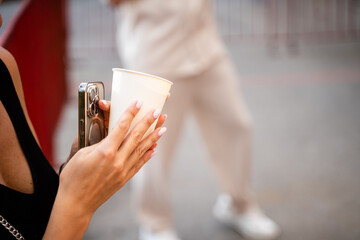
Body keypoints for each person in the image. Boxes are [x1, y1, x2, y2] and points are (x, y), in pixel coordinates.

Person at [107, 0, 281, 239]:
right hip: (155, 55)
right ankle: (155, 225)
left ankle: (238, 204)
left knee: (236, 125)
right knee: (150, 144)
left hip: (206, 48)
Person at [0, 6, 168, 239]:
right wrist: (78, 204)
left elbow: (41, 205)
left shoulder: (3, 66)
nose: (0, 19)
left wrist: (77, 167)